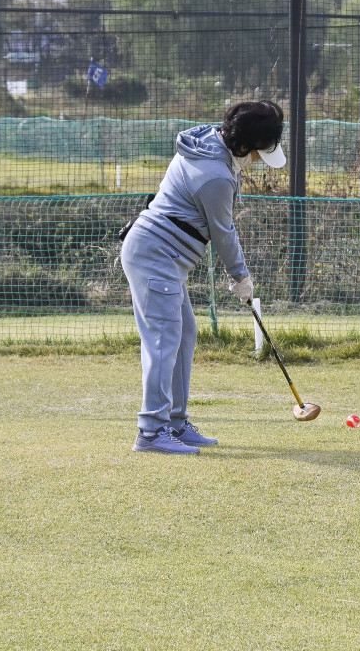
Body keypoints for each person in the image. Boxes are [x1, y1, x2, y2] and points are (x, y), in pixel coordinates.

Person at [121, 100, 286, 454]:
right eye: (259, 152)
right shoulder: (216, 176)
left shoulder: (208, 142)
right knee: (163, 341)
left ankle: (175, 424)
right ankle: (151, 432)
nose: (259, 160)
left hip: (161, 254)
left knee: (183, 335)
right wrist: (241, 277)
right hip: (155, 255)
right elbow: (223, 233)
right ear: (245, 145)